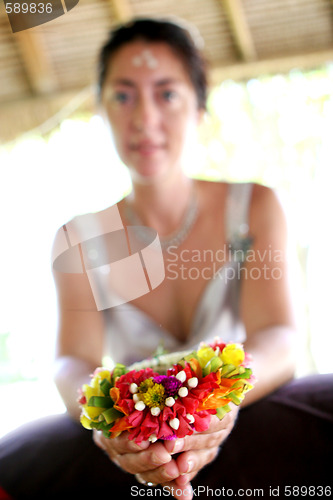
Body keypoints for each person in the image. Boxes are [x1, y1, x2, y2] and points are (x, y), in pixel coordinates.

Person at [0, 18, 332, 500]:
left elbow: (279, 337)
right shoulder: (77, 239)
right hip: (137, 434)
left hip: (248, 411)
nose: (145, 119)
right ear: (101, 109)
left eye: (167, 94)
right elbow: (72, 362)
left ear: (199, 107)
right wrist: (112, 420)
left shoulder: (255, 207)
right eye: (123, 95)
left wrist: (216, 401)